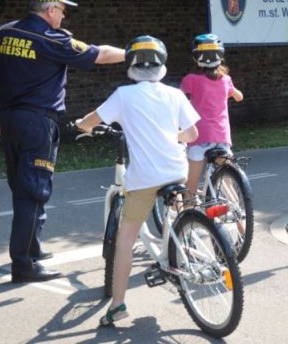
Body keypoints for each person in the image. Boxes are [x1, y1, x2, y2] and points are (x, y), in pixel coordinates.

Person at [0, 0, 125, 283]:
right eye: (62, 11)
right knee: (33, 192)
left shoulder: (2, 34)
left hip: (11, 121)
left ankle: (32, 248)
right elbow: (99, 55)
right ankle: (25, 264)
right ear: (50, 9)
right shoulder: (51, 39)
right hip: (38, 125)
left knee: (21, 187)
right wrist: (135, 52)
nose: (63, 18)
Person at [74, 35, 200, 326]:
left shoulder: (123, 96)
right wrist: (172, 137)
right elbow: (192, 135)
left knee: (125, 240)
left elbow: (93, 120)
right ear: (162, 66)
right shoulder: (174, 94)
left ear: (130, 66)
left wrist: (81, 124)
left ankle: (118, 305)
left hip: (145, 179)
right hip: (176, 169)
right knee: (175, 214)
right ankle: (180, 248)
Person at [181, 33, 244, 203]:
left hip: (199, 136)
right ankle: (241, 222)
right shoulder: (226, 79)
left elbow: (181, 101)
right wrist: (230, 93)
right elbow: (239, 97)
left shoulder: (190, 79)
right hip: (221, 136)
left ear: (196, 57)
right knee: (227, 180)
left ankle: (188, 219)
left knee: (191, 186)